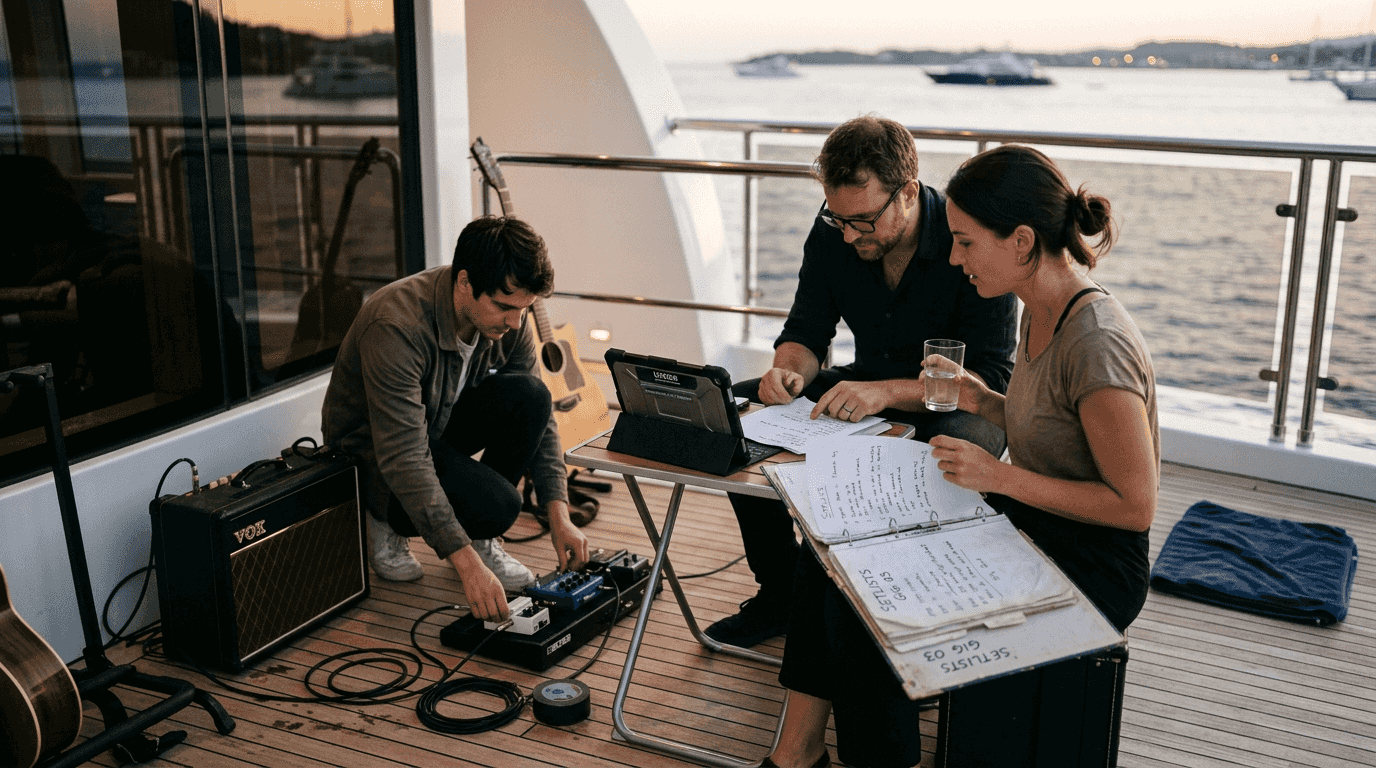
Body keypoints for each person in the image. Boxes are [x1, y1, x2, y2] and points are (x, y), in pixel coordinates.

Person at [761, 144, 1158, 768]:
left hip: (1089, 560)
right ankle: (797, 755)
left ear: (1021, 242)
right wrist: (981, 399)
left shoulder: (1096, 342)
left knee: (868, 595)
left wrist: (1000, 477)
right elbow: (1053, 426)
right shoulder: (1042, 310)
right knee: (831, 552)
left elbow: (1134, 508)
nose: (953, 257)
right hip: (1033, 524)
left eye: (966, 243)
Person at [707, 115, 1017, 648]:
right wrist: (787, 372)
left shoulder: (968, 240)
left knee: (944, 453)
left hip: (962, 407)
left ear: (908, 194)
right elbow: (806, 331)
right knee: (737, 415)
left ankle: (914, 604)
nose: (849, 233)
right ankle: (781, 593)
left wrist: (887, 392)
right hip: (867, 385)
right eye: (839, 217)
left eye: (864, 221)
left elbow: (991, 378)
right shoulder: (833, 229)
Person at [322, 215, 590, 622]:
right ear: (464, 282)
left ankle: (480, 538)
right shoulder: (396, 325)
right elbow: (404, 457)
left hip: (434, 425)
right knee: (500, 507)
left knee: (533, 397)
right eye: (505, 307)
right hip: (375, 454)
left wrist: (559, 515)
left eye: (525, 309)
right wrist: (467, 568)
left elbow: (542, 419)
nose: (516, 322)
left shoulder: (509, 315)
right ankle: (381, 515)